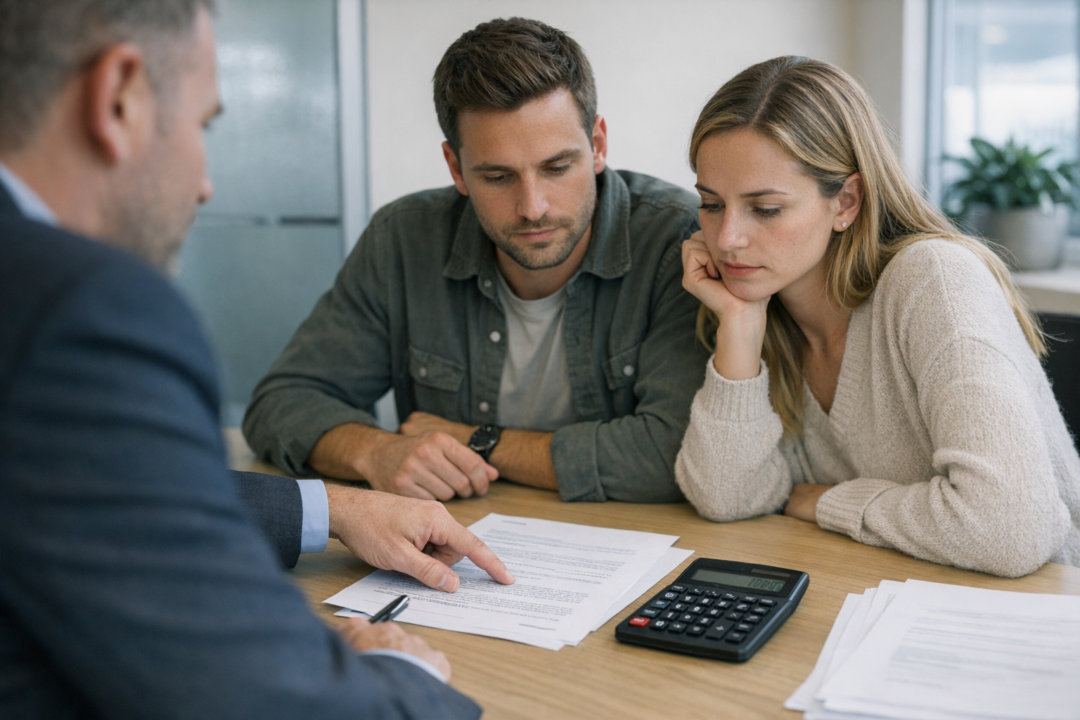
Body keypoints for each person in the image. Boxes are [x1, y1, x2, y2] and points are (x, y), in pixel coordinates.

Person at [0, 1, 514, 717]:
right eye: (202, 125)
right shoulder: (77, 309)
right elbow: (255, 694)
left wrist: (332, 506)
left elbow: (101, 492)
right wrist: (410, 683)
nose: (206, 184)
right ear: (117, 96)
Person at [242, 17, 708, 504]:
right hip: (458, 540)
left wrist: (476, 439)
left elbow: (678, 454)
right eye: (498, 177)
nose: (533, 207)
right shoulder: (403, 239)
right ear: (455, 168)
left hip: (634, 545)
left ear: (597, 145)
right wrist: (375, 451)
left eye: (556, 167)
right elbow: (280, 404)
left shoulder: (676, 240)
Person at [675, 56, 1080, 578]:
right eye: (711, 204)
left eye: (766, 209)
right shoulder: (763, 309)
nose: (727, 239)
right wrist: (740, 322)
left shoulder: (934, 280)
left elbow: (1008, 531)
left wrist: (830, 503)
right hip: (892, 600)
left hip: (1039, 614)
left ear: (846, 201)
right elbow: (726, 496)